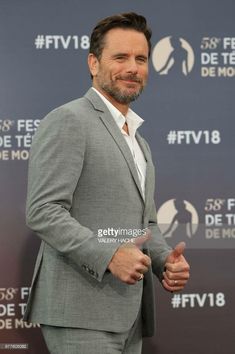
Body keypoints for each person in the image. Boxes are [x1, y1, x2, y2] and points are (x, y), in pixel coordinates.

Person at [24, 12, 190, 354]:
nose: (133, 67)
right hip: (79, 311)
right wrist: (109, 254)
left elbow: (146, 224)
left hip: (130, 315)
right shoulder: (69, 120)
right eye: (120, 57)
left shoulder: (138, 140)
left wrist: (164, 263)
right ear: (93, 62)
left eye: (141, 59)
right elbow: (43, 211)